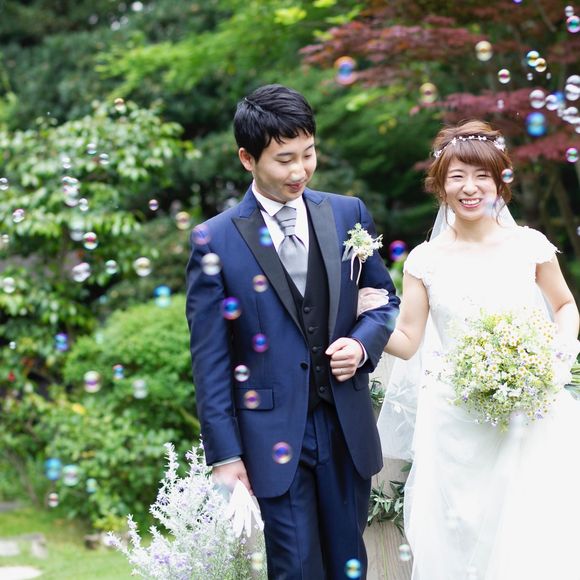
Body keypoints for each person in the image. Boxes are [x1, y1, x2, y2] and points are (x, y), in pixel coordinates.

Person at [185, 84, 400, 579]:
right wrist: (225, 456)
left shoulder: (348, 213)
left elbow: (383, 301)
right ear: (247, 158)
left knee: (350, 566)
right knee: (295, 569)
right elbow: (210, 359)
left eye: (308, 154)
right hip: (271, 437)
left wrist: (362, 344)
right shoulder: (214, 239)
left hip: (345, 428)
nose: (300, 170)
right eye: (284, 160)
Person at [369, 119, 580, 579]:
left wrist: (557, 356)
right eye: (457, 177)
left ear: (500, 181)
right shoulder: (425, 260)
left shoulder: (530, 246)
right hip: (455, 424)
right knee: (459, 545)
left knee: (532, 536)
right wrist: (367, 316)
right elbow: (407, 341)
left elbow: (565, 306)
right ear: (440, 186)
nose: (470, 188)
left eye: (482, 175)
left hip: (531, 412)